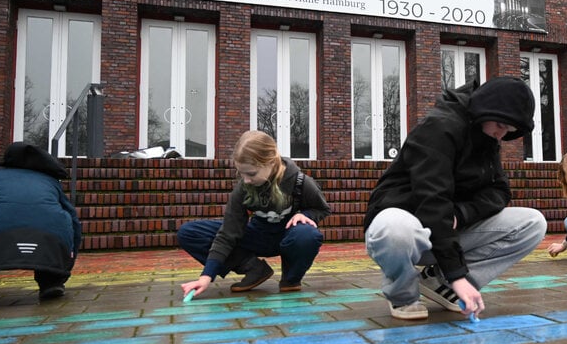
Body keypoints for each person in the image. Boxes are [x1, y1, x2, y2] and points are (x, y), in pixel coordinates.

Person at [363, 77, 547, 320]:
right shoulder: (439, 127)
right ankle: (404, 296)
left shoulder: (487, 138)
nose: (501, 135)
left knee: (533, 223)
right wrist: (457, 275)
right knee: (396, 229)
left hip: (443, 230)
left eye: (509, 131)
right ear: (486, 109)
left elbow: (500, 192)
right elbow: (432, 202)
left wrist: (462, 214)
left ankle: (441, 284)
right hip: (404, 228)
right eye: (501, 125)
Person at [178, 130, 330, 299]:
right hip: (258, 236)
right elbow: (228, 234)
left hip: (290, 236)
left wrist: (307, 215)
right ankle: (254, 269)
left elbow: (322, 209)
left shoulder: (301, 183)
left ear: (272, 163)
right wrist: (206, 276)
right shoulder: (243, 188)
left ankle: (291, 279)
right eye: (241, 173)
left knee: (307, 234)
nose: (246, 180)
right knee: (189, 232)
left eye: (251, 174)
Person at [0, 142, 82, 303]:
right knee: (56, 225)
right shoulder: (49, 181)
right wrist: (67, 261)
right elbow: (73, 219)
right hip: (50, 236)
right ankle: (51, 281)